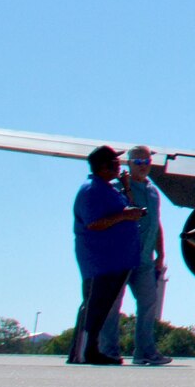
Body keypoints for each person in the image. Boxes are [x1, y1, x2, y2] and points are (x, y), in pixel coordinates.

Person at [70, 146, 142, 365]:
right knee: (94, 305)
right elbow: (94, 223)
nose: (119, 165)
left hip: (115, 261)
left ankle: (91, 350)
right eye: (114, 161)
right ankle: (83, 352)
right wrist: (124, 216)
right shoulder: (92, 190)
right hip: (100, 262)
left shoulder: (107, 188)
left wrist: (127, 194)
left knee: (101, 307)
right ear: (103, 166)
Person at [118, 146, 170, 365]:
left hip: (146, 259)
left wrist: (160, 253)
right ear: (129, 163)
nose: (143, 166)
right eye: (138, 162)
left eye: (147, 161)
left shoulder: (152, 191)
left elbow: (155, 223)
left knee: (148, 303)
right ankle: (109, 350)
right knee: (113, 306)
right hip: (121, 257)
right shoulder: (119, 187)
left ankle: (144, 352)